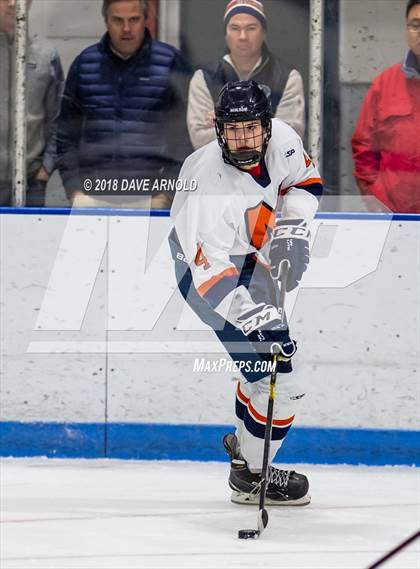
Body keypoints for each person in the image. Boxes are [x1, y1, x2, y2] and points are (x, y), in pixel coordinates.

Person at [170, 81, 322, 505]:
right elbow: (212, 275)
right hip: (203, 273)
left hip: (250, 256)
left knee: (264, 373)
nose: (243, 140)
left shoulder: (285, 142)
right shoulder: (208, 183)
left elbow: (305, 184)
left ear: (267, 126)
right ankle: (253, 476)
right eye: (233, 130)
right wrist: (255, 318)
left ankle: (245, 454)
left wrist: (292, 230)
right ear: (218, 130)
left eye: (251, 128)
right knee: (282, 383)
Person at [57, 0, 191, 209]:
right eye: (118, 20)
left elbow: (185, 138)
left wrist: (168, 193)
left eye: (134, 20)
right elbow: (65, 135)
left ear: (146, 20)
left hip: (151, 199)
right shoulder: (85, 64)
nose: (126, 29)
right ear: (106, 21)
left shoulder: (170, 63)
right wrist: (74, 190)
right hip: (91, 198)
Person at [187, 0, 305, 151]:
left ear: (264, 33)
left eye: (251, 28)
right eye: (235, 28)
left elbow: (290, 137)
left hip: (272, 171)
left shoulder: (287, 77)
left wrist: (224, 123)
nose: (243, 36)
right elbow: (200, 140)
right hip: (219, 172)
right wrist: (263, 124)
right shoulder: (205, 77)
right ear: (225, 33)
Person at [352, 0, 420, 213]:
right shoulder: (384, 85)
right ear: (407, 30)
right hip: (394, 217)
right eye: (415, 25)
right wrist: (376, 200)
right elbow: (364, 148)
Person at [0, 0, 64, 207]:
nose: (12, 4)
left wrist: (46, 167)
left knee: (28, 239)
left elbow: (58, 118)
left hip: (31, 180)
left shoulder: (46, 56)